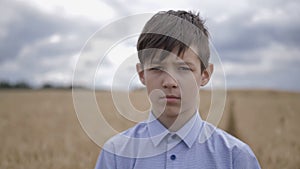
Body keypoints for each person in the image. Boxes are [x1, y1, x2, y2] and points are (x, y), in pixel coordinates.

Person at [94, 10, 261, 169]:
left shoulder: (235, 157)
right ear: (141, 74)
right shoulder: (115, 155)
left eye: (183, 69)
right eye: (157, 68)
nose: (169, 82)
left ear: (205, 75)